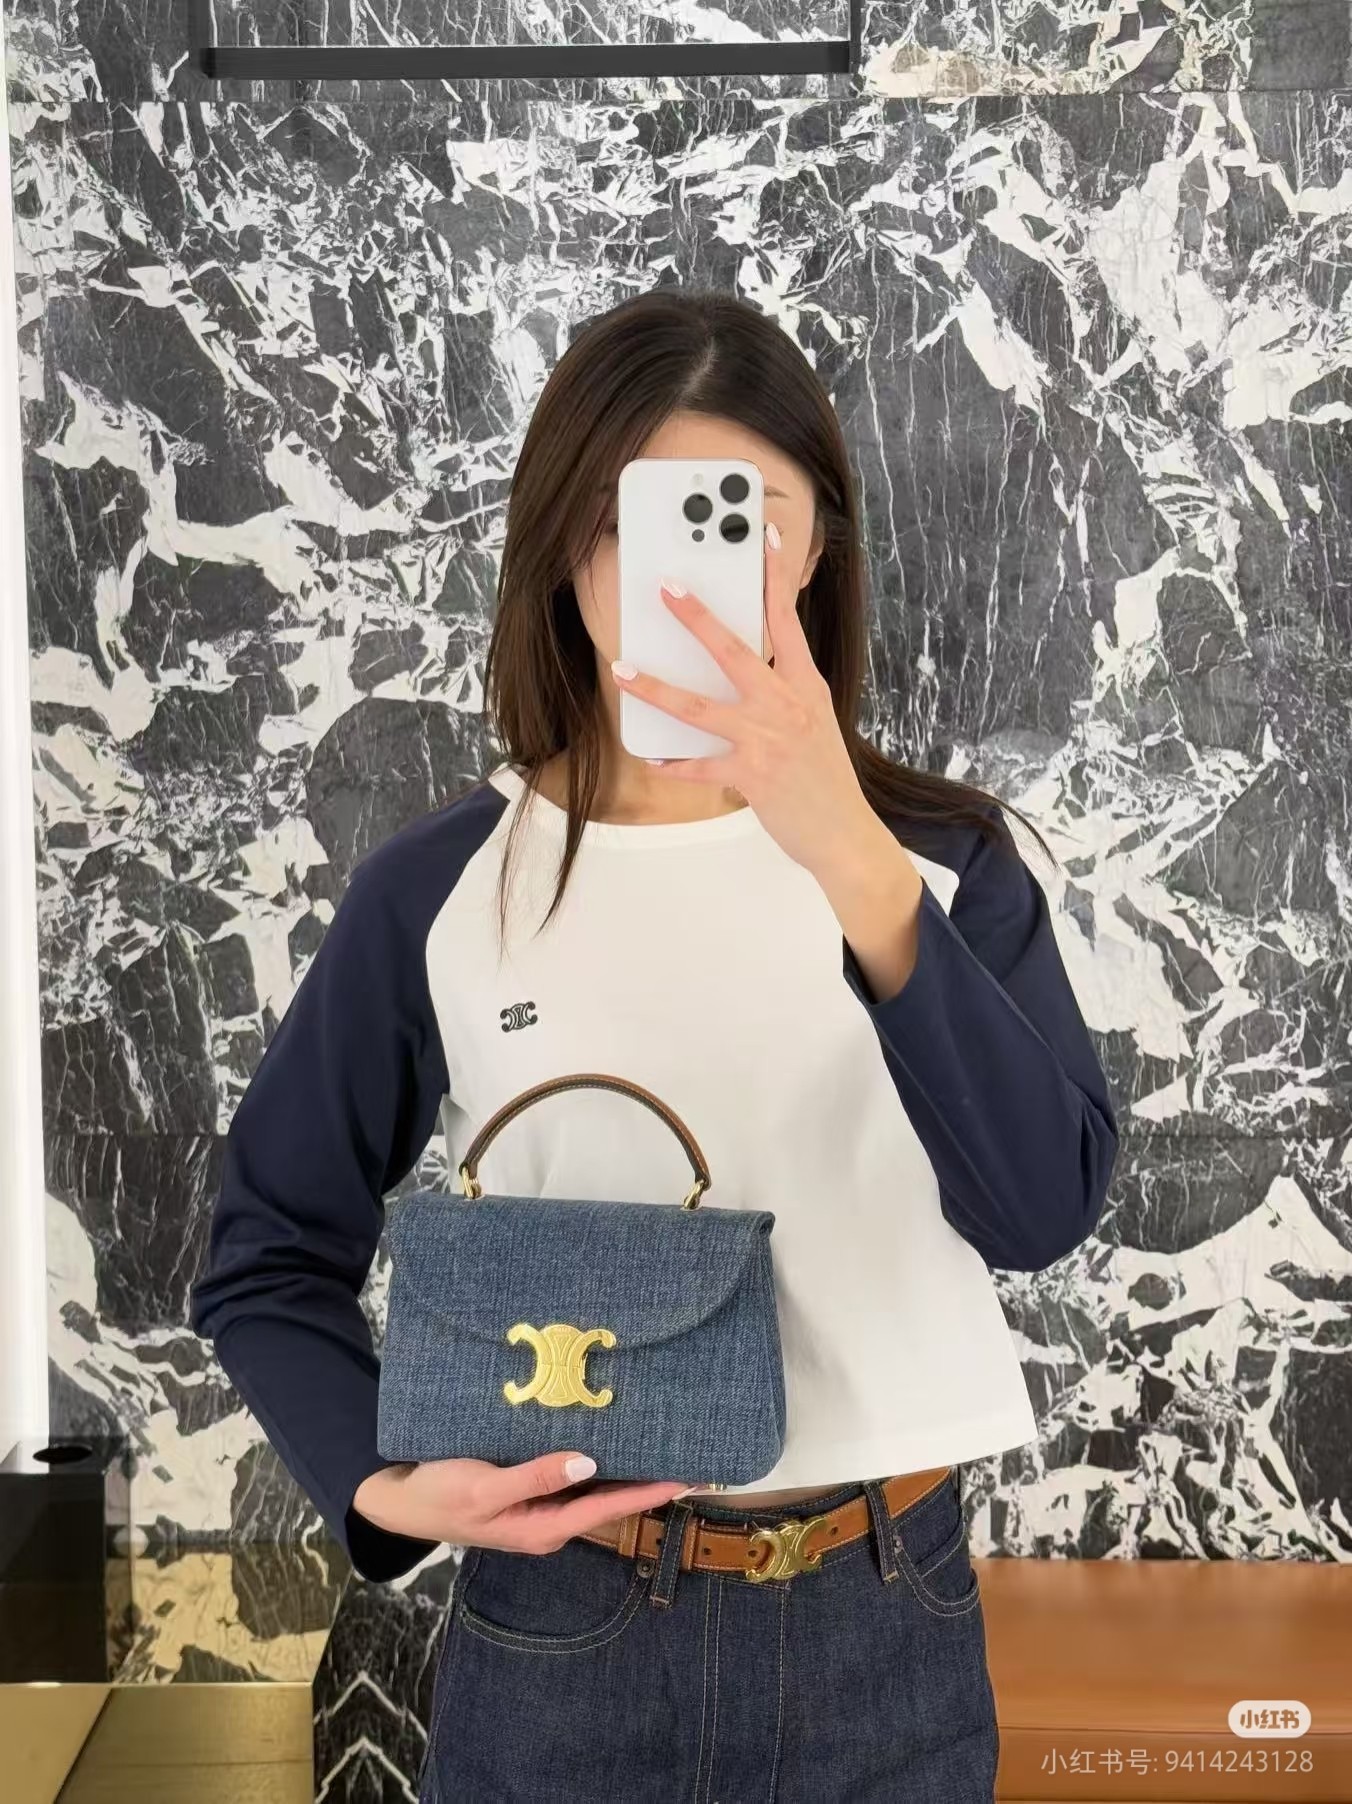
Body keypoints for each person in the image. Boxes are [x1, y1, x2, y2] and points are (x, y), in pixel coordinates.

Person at [189, 287, 1119, 1802]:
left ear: (811, 552)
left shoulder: (944, 866)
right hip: (565, 1634)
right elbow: (266, 1250)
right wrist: (380, 1484)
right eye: (629, 522)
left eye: (743, 520)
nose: (680, 575)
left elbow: (1040, 1213)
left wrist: (853, 861)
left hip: (889, 1617)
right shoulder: (441, 889)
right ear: (565, 551)